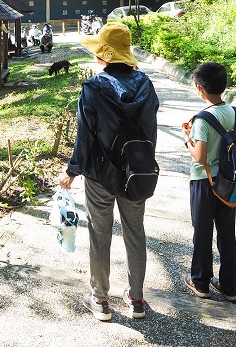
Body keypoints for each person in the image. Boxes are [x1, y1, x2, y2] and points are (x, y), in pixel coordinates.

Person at [58, 23, 159, 321]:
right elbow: (150, 133)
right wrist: (142, 165)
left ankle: (100, 300)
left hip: (100, 175)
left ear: (104, 55)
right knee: (135, 232)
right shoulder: (145, 86)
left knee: (100, 234)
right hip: (135, 173)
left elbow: (85, 137)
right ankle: (136, 299)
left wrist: (72, 171)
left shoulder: (93, 88)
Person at [181, 61, 236, 303]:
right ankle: (229, 287)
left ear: (200, 89)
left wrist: (187, 139)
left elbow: (200, 156)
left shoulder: (202, 119)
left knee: (203, 232)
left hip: (204, 182)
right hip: (228, 180)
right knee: (227, 233)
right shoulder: (234, 112)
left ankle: (201, 282)